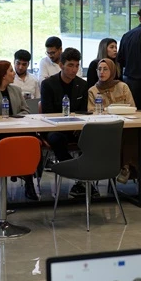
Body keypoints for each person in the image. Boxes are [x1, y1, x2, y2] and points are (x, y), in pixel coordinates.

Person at [40, 47, 94, 198]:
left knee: (90, 137)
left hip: (76, 127)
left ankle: (85, 178)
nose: (74, 69)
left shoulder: (82, 85)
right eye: (70, 65)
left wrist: (78, 126)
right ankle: (80, 176)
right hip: (54, 128)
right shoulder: (48, 84)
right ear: (61, 65)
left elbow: (83, 111)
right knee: (57, 139)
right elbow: (48, 113)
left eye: (77, 65)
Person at [0, 60, 38, 200]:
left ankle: (28, 179)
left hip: (16, 128)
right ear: (3, 75)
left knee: (31, 139)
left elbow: (25, 110)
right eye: (10, 71)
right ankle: (26, 179)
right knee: (18, 142)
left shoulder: (16, 90)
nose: (14, 73)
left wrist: (15, 119)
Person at [88, 58, 137, 183]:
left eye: (105, 69)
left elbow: (132, 106)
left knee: (133, 131)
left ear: (112, 71)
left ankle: (125, 167)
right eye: (99, 69)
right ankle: (127, 167)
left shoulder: (122, 86)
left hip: (124, 126)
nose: (101, 72)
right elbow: (92, 111)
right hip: (104, 129)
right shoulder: (93, 91)